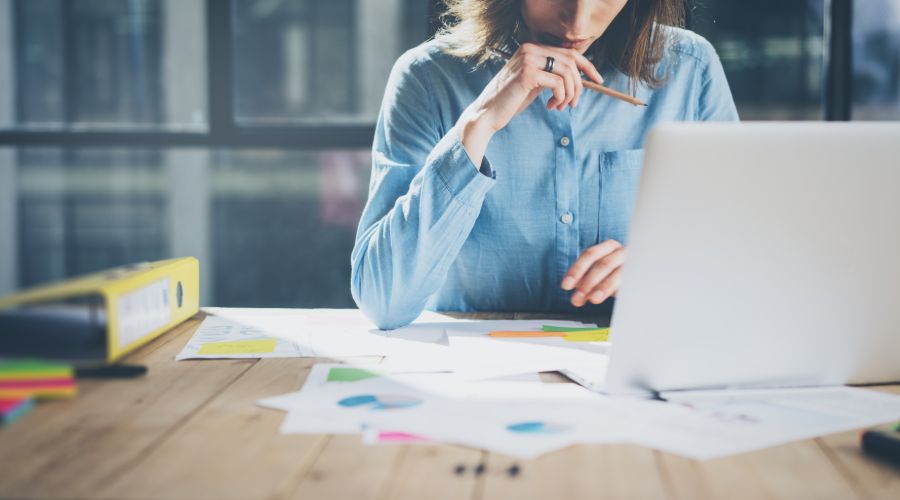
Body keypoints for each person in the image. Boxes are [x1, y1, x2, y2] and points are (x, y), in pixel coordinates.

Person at [351, 0, 738, 329]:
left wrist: (665, 265)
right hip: (476, 381)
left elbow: (743, 263)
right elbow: (382, 300)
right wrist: (478, 125)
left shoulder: (691, 70)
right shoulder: (426, 78)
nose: (578, 22)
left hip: (632, 371)